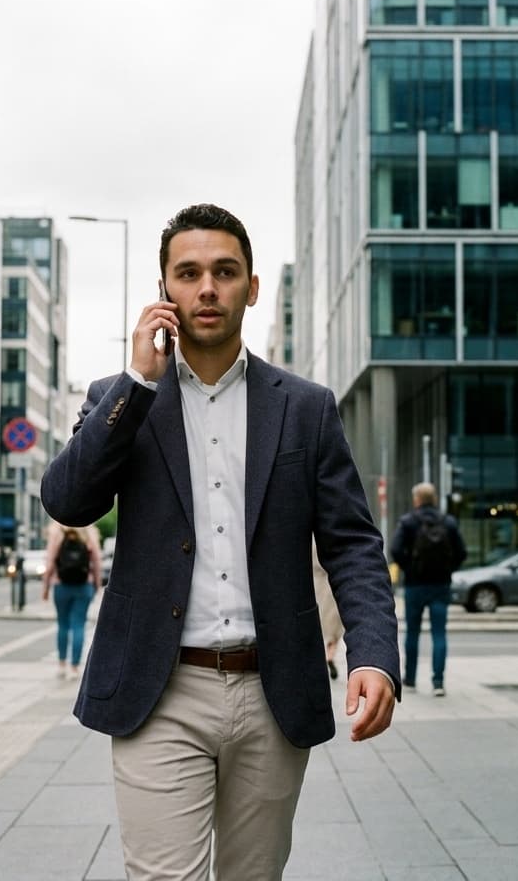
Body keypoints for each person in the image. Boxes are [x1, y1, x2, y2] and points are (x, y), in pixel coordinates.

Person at [40, 203, 400, 880]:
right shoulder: (121, 400)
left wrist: (373, 656)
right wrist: (138, 382)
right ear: (165, 293)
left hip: (274, 688)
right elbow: (67, 499)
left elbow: (352, 543)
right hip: (159, 691)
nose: (207, 288)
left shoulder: (305, 406)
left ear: (251, 288)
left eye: (224, 272)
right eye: (189, 273)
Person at [390, 481, 465, 696]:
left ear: (417, 500)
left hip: (415, 585)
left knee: (412, 632)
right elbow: (461, 552)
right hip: (440, 586)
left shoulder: (408, 521)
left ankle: (411, 679)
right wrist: (449, 570)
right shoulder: (448, 522)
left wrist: (409, 568)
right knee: (439, 633)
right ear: (433, 499)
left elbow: (395, 549)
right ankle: (438, 682)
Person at [42, 521, 102, 680]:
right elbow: (96, 560)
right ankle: (74, 668)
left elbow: (50, 560)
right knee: (79, 624)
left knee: (62, 624)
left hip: (61, 584)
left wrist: (46, 587)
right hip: (84, 585)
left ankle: (61, 665)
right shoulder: (89, 530)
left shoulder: (57, 530)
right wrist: (96, 584)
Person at [312, 542, 343, 680]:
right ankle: (330, 655)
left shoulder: (310, 539)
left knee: (318, 623)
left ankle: (321, 656)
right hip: (331, 587)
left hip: (315, 586)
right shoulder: (328, 536)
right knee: (334, 629)